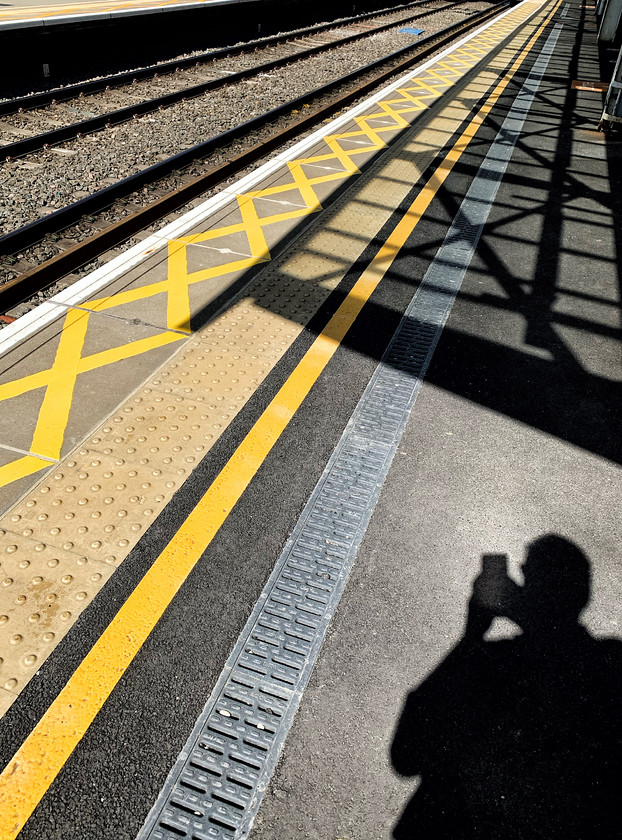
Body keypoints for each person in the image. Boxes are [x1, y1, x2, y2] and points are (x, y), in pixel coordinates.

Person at [390, 535, 622, 839]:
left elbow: (405, 755)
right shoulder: (609, 667)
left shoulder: (492, 667)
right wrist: (534, 620)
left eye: (525, 578)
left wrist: (471, 637)